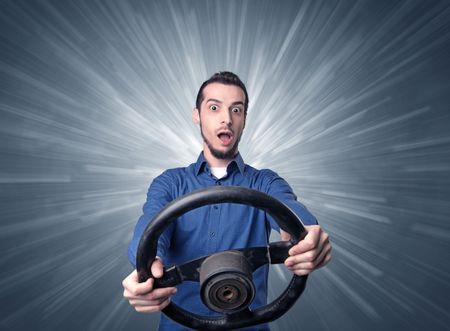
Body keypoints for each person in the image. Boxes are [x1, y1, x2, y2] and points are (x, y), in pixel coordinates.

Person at [122, 71, 332, 330]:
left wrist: (308, 235)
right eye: (214, 107)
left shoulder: (265, 182)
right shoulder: (170, 183)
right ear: (197, 115)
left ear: (244, 120)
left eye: (236, 110)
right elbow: (152, 227)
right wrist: (146, 265)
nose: (226, 119)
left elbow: (292, 214)